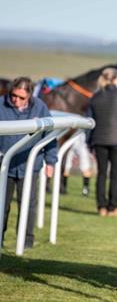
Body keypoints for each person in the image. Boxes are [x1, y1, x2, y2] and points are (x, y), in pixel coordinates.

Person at [0, 77, 57, 249]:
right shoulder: (1, 104)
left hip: (30, 166)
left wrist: (51, 161)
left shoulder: (40, 107)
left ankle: (26, 242)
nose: (15, 100)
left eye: (21, 97)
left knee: (27, 205)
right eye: (13, 95)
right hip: (4, 166)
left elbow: (50, 136)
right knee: (2, 205)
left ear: (30, 96)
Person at [87, 68, 117, 217]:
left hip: (99, 139)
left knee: (101, 174)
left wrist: (89, 142)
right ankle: (113, 207)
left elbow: (89, 122)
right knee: (115, 175)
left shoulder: (94, 97)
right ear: (115, 80)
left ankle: (101, 207)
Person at [62, 131, 93, 196]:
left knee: (85, 167)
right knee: (66, 166)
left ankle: (85, 189)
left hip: (81, 142)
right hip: (72, 142)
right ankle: (63, 188)